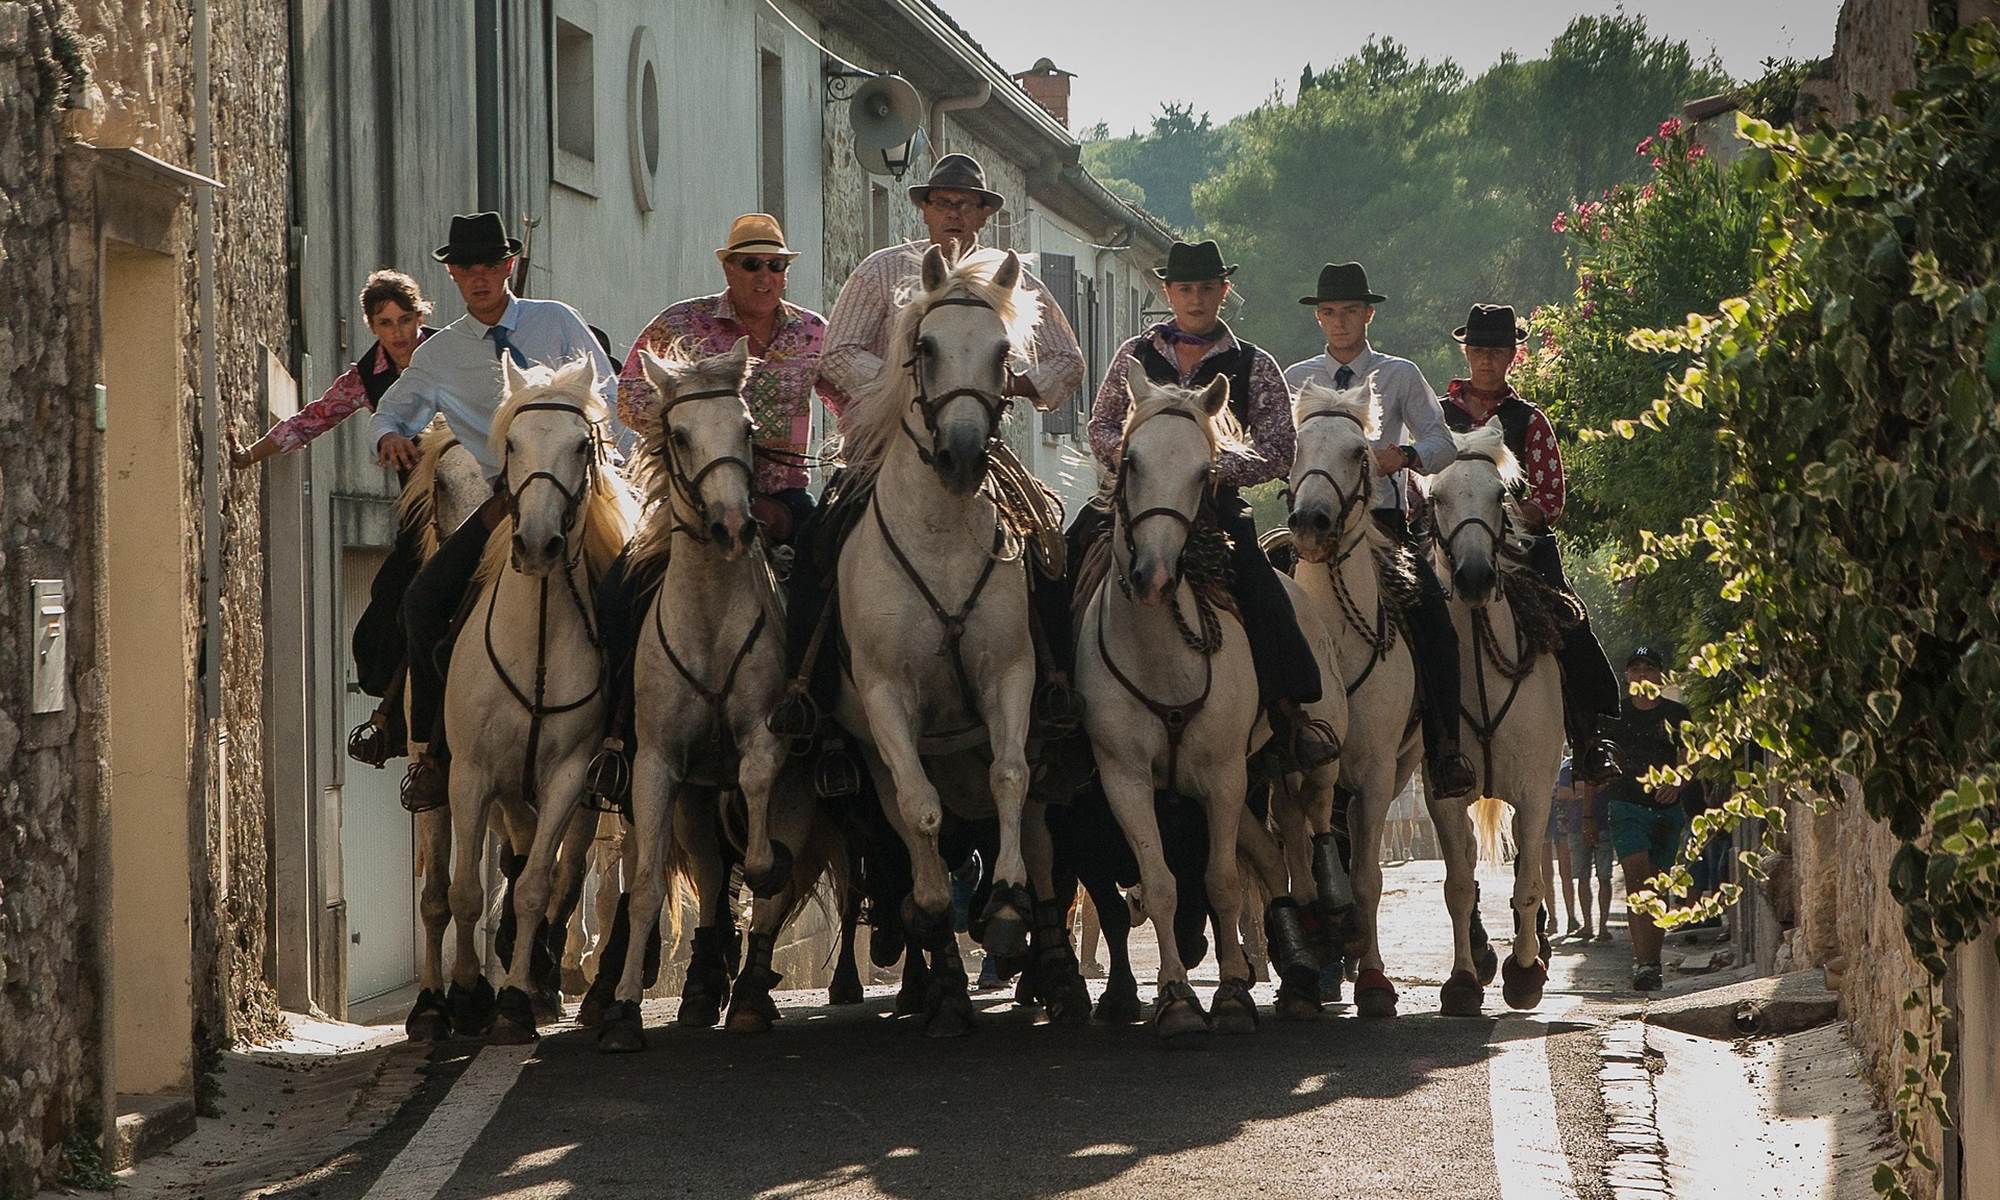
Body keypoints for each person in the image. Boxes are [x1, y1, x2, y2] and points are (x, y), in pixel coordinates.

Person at [368, 211, 634, 812]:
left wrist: (625, 471)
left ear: (508, 266)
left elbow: (612, 398)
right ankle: (428, 749)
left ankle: (624, 745)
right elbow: (393, 409)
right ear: (453, 275)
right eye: (467, 268)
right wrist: (389, 435)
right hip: (503, 502)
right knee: (421, 601)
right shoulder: (440, 353)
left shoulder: (556, 320)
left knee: (633, 598)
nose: (480, 277)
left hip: (586, 495)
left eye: (490, 265)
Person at [791, 153, 1084, 696]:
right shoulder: (882, 271)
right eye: (944, 203)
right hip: (881, 450)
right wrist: (910, 383)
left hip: (977, 443)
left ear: (984, 214)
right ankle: (806, 690)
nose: (954, 213)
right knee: (816, 545)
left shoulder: (1011, 281)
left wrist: (1005, 384)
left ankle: (1055, 685)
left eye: (967, 205)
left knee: (1047, 546)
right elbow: (838, 353)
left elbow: (1068, 360)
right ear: (924, 210)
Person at [588, 213, 842, 787]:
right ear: (729, 268)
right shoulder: (682, 322)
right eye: (751, 264)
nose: (764, 275)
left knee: (832, 590)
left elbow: (849, 401)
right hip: (691, 502)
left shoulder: (813, 333)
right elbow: (629, 395)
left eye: (775, 265)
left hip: (785, 496)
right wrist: (692, 427)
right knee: (616, 595)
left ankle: (825, 735)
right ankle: (618, 737)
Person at [1084, 239, 1336, 772]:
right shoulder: (1135, 355)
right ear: (1167, 292)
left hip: (1215, 507)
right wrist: (1137, 460)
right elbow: (1101, 423)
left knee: (1262, 587)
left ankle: (1288, 711)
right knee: (1071, 560)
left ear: (1224, 291)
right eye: (1184, 288)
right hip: (1135, 500)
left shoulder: (1253, 363)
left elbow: (1279, 446)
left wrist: (1216, 469)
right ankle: (1058, 696)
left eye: (1205, 288)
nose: (1195, 298)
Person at [1283, 262, 1475, 798]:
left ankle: (1444, 749)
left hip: (1383, 528)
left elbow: (1442, 443)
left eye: (1350, 311)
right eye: (1329, 312)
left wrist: (1405, 456)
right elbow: (1275, 448)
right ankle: (1273, 741)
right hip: (1309, 524)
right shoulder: (1295, 379)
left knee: (1435, 622)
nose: (1339, 321)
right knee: (1265, 610)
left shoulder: (1401, 374)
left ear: (1368, 314)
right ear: (1318, 318)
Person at [229, 270, 440, 753]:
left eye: (406, 320)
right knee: (389, 607)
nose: (399, 333)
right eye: (386, 323)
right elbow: (312, 419)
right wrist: (251, 454)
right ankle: (396, 719)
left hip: (475, 498)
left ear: (421, 316)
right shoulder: (365, 377)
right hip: (419, 514)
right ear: (372, 326)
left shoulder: (452, 351)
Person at [1437, 304, 1621, 781]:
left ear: (1512, 356)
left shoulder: (1529, 420)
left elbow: (1551, 495)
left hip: (1522, 552)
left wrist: (1506, 519)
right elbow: (1419, 482)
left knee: (1569, 622)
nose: (1486, 359)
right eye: (1479, 349)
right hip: (1446, 544)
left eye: (1496, 351)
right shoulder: (1437, 417)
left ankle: (1588, 737)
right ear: (1466, 353)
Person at [1600, 645, 1691, 990]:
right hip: (1625, 806)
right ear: (1627, 676)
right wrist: (1589, 816)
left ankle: (1653, 961)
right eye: (1635, 668)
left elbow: (1691, 757)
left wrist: (1678, 782)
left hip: (1665, 810)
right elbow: (1598, 763)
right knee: (1637, 879)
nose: (1642, 674)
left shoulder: (1677, 714)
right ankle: (1644, 963)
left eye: (1649, 668)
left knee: (1657, 884)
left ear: (1659, 675)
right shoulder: (1615, 715)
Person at [1564, 758, 1616, 940]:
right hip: (1579, 827)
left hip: (1600, 826)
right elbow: (1562, 792)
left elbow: (1568, 791)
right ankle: (1590, 925)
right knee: (1584, 878)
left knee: (1603, 877)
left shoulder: (1603, 764)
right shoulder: (1569, 767)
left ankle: (1601, 926)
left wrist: (1580, 790)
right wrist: (1593, 787)